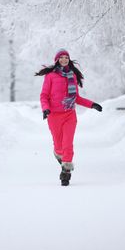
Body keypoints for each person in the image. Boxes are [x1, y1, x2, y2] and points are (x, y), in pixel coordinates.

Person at [35, 49, 102, 186]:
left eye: (66, 57)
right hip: (54, 115)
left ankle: (66, 172)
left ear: (69, 60)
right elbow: (44, 96)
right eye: (62, 57)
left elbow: (76, 98)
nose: (64, 59)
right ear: (57, 60)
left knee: (67, 144)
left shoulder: (72, 76)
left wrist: (92, 104)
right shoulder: (50, 76)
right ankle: (58, 154)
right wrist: (45, 109)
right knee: (59, 146)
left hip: (69, 115)